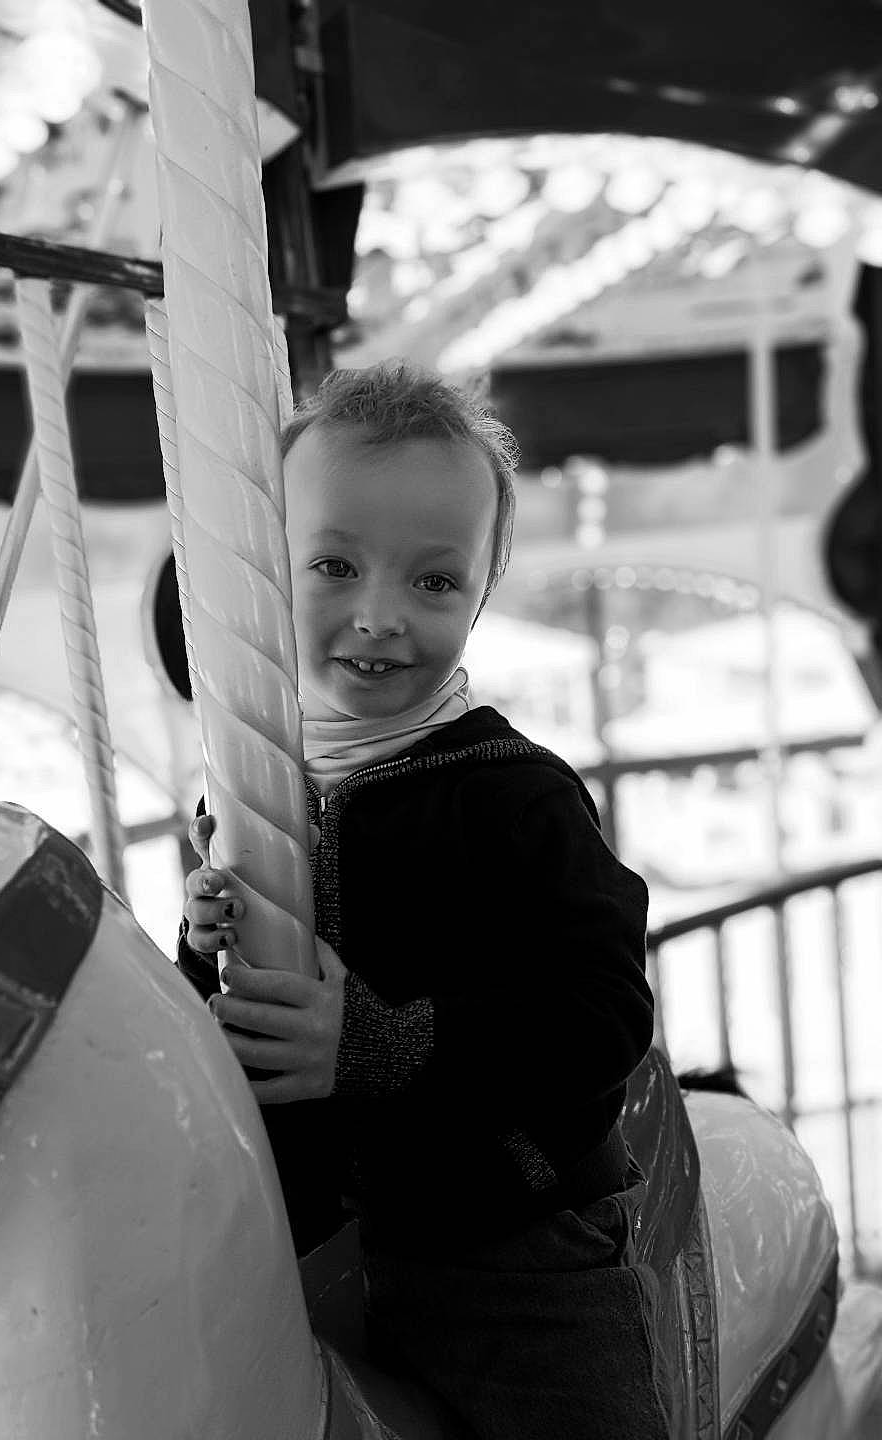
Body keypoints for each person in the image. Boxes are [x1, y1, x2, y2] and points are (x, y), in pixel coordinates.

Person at [176, 362, 670, 1439]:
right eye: (335, 565)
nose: (379, 617)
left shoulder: (513, 795)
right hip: (298, 1235)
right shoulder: (254, 784)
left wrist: (377, 1045)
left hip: (505, 1248)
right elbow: (233, 1022)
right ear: (271, 568)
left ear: (482, 592)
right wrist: (200, 939)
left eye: (434, 583)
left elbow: (604, 1013)